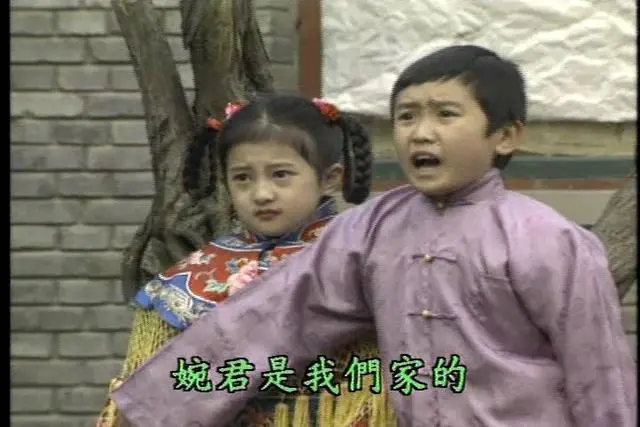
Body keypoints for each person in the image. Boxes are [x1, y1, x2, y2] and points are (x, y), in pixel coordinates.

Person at [110, 45, 637, 427]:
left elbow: (600, 376)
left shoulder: (552, 241)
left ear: (505, 135)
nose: (421, 132)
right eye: (407, 116)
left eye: (445, 114)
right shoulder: (369, 228)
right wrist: (154, 407)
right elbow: (274, 320)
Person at [96, 94, 388, 427]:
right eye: (243, 178)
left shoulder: (363, 265)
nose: (261, 194)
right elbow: (144, 404)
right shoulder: (186, 281)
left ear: (331, 177)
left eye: (281, 174)